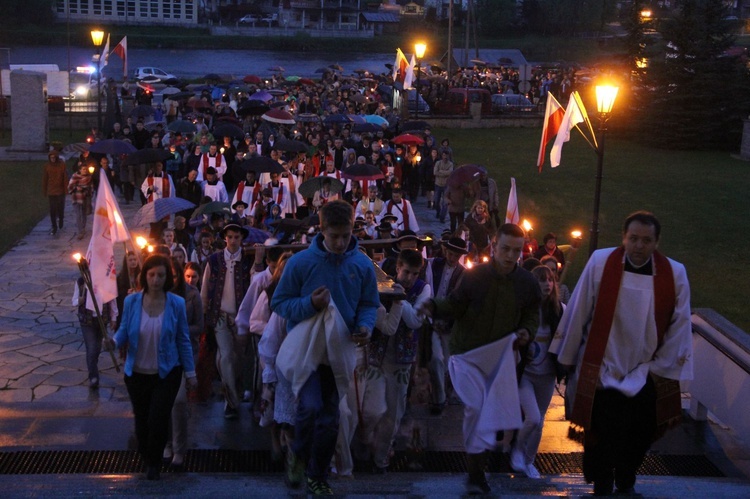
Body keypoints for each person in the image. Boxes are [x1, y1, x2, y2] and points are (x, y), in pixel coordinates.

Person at [549, 211, 693, 496]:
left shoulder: (674, 274)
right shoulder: (602, 263)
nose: (639, 246)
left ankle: (626, 480)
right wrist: (565, 357)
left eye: (646, 240)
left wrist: (661, 369)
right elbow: (579, 310)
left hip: (646, 368)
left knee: (638, 434)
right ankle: (602, 485)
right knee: (601, 435)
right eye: (634, 239)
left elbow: (680, 324)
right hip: (602, 367)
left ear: (657, 242)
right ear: (623, 238)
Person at [419, 223, 541, 494]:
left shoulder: (526, 282)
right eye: (506, 249)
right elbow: (455, 303)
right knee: (477, 407)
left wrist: (526, 332)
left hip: (501, 358)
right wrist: (434, 306)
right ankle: (476, 473)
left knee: (491, 416)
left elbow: (533, 312)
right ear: (494, 247)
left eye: (516, 251)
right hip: (467, 355)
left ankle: (477, 473)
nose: (510, 256)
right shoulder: (476, 277)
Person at [271, 200, 380, 495]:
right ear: (321, 230)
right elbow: (279, 303)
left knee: (332, 418)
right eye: (335, 236)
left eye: (346, 236)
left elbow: (369, 303)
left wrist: (365, 326)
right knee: (310, 407)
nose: (341, 243)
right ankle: (298, 455)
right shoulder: (301, 263)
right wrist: (309, 304)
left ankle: (317, 474)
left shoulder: (361, 265)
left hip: (339, 352)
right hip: (307, 351)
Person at [112, 255, 197, 481]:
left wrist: (190, 373)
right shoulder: (131, 302)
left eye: (160, 275)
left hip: (166, 373)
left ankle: (154, 463)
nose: (156, 280)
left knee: (158, 418)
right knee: (141, 419)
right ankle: (145, 453)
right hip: (137, 373)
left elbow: (183, 339)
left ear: (167, 277)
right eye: (151, 275)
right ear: (145, 276)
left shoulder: (176, 304)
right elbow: (123, 330)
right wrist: (113, 342)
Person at [362, 249, 431, 473]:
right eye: (406, 272)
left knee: (393, 414)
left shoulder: (424, 289)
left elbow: (414, 321)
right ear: (398, 267)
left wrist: (399, 298)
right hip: (377, 355)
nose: (410, 277)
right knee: (371, 410)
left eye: (415, 273)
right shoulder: (383, 281)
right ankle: (363, 445)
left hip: (402, 360)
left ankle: (381, 458)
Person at [510, 264, 565, 479]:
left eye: (550, 280)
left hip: (547, 375)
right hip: (526, 374)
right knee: (532, 418)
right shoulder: (523, 310)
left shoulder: (559, 310)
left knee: (540, 421)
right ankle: (517, 449)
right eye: (542, 280)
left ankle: (529, 461)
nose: (547, 285)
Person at [201, 223, 253, 419]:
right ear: (225, 238)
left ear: (241, 238)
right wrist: (204, 313)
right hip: (220, 315)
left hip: (241, 317)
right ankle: (231, 402)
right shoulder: (213, 260)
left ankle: (235, 390)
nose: (232, 241)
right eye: (229, 237)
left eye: (236, 237)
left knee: (239, 358)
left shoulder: (247, 260)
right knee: (226, 356)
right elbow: (205, 289)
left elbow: (256, 284)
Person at [164, 259, 203, 469]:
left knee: (178, 401)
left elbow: (200, 325)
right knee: (164, 403)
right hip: (163, 356)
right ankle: (167, 442)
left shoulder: (191, 294)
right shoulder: (157, 295)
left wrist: (182, 332)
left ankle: (179, 448)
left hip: (186, 352)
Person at [424, 236, 468, 414]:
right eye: (450, 253)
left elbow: (460, 301)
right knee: (435, 359)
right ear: (445, 251)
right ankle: (439, 398)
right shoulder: (431, 264)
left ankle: (449, 391)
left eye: (456, 255)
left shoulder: (464, 274)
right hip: (431, 318)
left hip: (449, 323)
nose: (452, 257)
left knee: (450, 361)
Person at [72, 277, 118, 389]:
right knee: (91, 347)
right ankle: (93, 376)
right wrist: (80, 301)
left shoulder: (105, 280)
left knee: (97, 348)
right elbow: (74, 301)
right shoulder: (81, 282)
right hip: (87, 321)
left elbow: (112, 300)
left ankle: (92, 365)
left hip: (102, 319)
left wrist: (114, 317)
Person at [42, 149, 68, 236]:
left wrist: (66, 189)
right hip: (51, 191)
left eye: (54, 157)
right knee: (52, 209)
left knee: (60, 207)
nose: (52, 159)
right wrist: (45, 190)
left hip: (60, 190)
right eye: (51, 157)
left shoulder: (62, 165)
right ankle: (54, 226)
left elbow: (65, 178)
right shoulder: (47, 166)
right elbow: (45, 179)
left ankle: (61, 219)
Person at [68, 163, 94, 240]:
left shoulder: (89, 178)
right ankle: (80, 231)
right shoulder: (75, 177)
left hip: (84, 198)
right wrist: (76, 188)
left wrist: (86, 191)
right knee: (78, 214)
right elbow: (70, 186)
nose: (85, 171)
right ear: (80, 170)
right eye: (83, 169)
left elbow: (91, 188)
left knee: (83, 214)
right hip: (76, 197)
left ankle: (83, 227)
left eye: (86, 169)